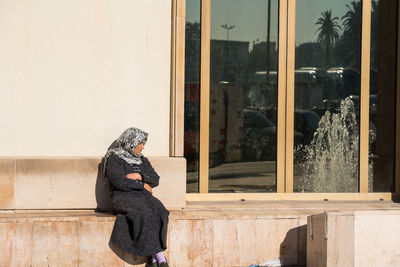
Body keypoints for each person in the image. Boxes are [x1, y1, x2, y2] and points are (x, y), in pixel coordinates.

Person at [104, 127, 169, 267]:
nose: (142, 147)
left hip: (142, 196)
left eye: (143, 144)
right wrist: (142, 185)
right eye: (140, 143)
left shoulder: (141, 160)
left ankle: (153, 258)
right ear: (131, 142)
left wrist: (139, 176)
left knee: (161, 211)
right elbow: (119, 182)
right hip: (122, 197)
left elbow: (155, 179)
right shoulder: (114, 158)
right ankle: (159, 257)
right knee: (144, 213)